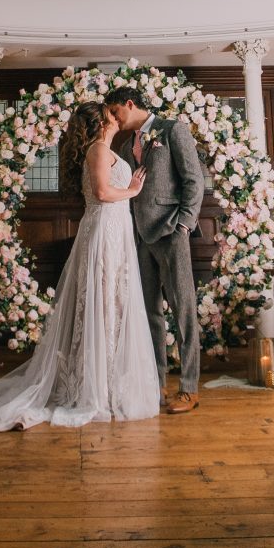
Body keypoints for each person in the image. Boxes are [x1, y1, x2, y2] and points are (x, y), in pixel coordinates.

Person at [0, 102, 159, 430]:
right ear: (100, 121)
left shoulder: (106, 149)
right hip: (105, 232)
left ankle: (108, 382)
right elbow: (104, 192)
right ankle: (98, 387)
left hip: (113, 231)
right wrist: (132, 190)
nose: (116, 116)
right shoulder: (97, 151)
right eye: (110, 113)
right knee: (104, 303)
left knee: (113, 305)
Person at [104, 86, 204, 415]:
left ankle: (189, 388)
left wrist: (185, 224)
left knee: (184, 310)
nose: (115, 119)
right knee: (149, 312)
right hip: (139, 235)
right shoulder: (122, 142)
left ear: (130, 105)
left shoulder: (172, 130)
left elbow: (194, 180)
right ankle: (156, 383)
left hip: (171, 230)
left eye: (117, 112)